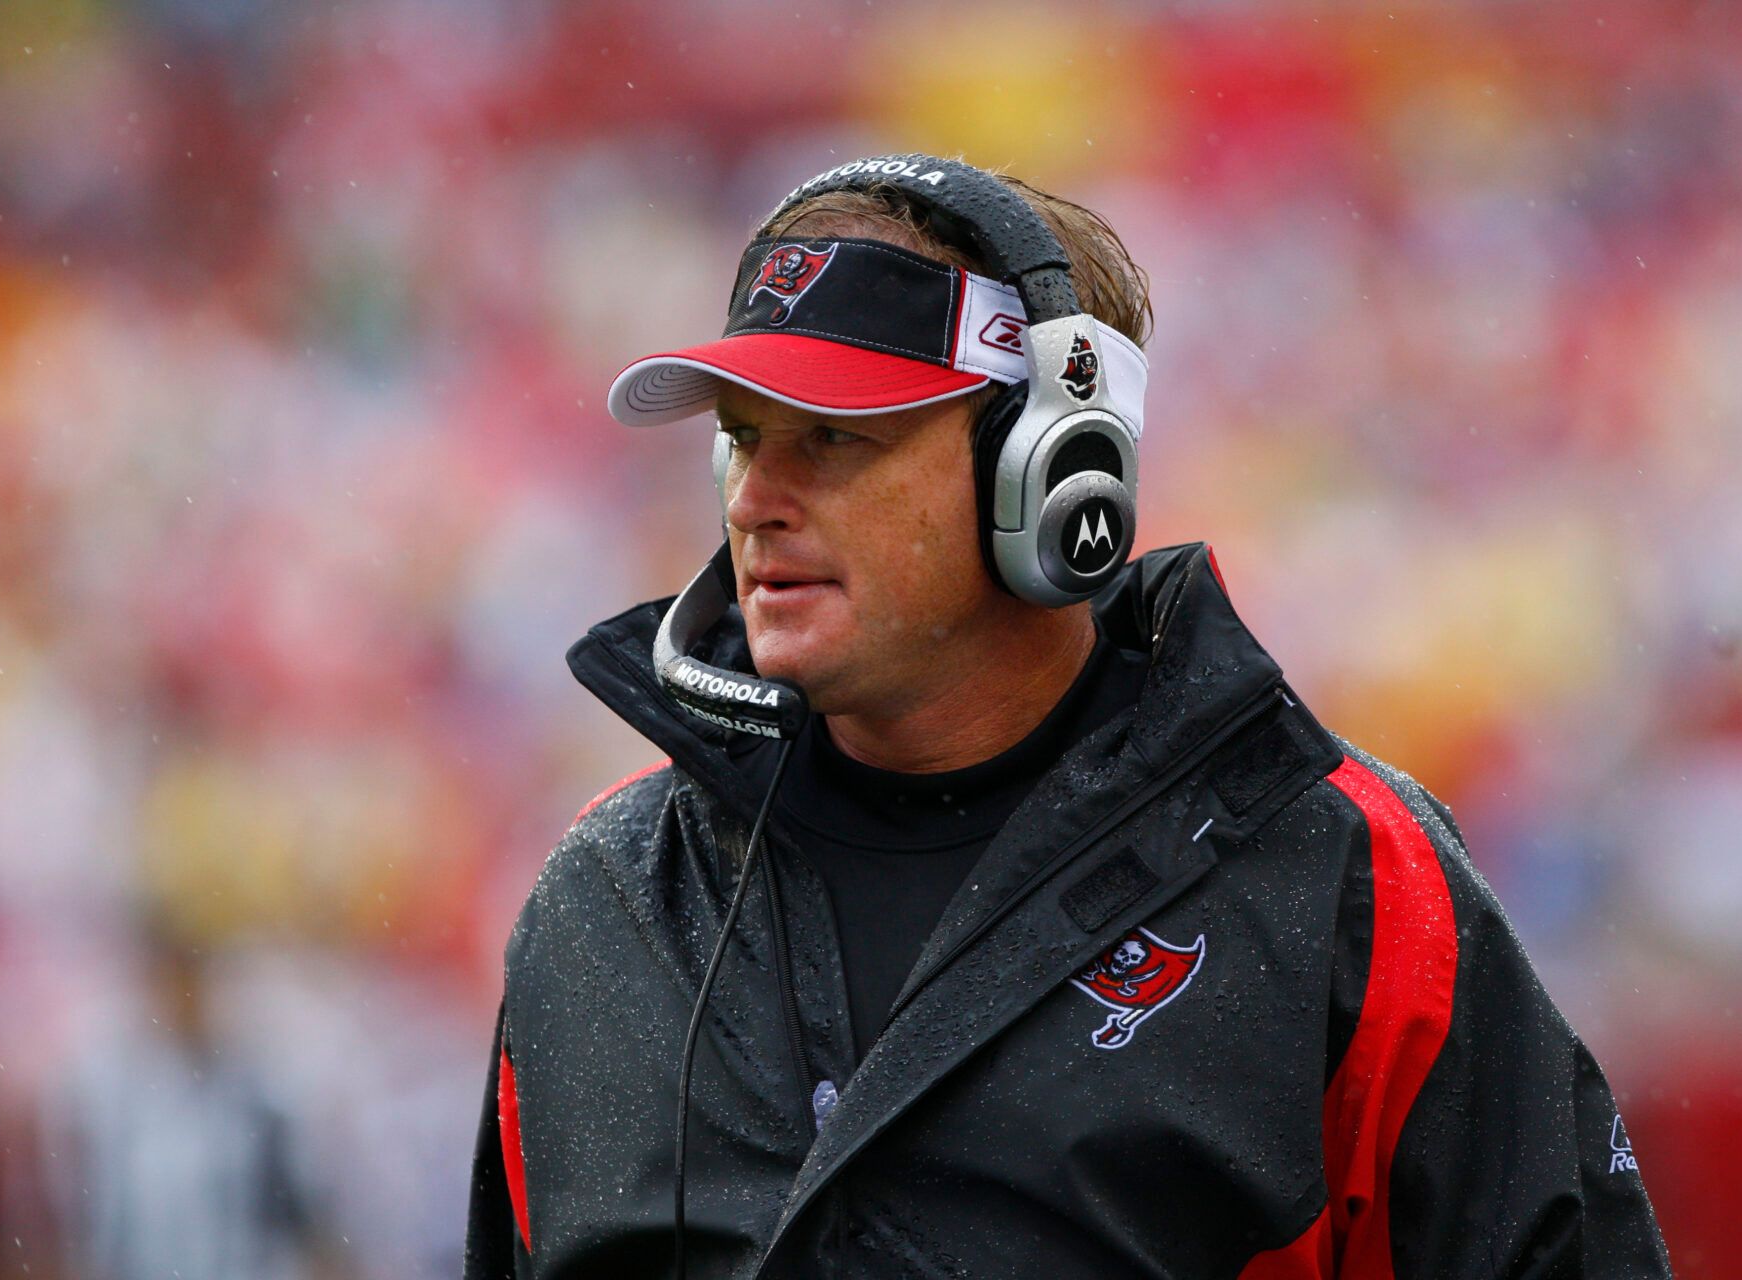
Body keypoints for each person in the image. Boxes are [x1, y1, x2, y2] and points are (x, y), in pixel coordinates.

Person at [464, 154, 1671, 1279]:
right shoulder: (605, 898)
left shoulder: (1349, 880)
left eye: (837, 437)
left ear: (1051, 469)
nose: (758, 501)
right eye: (742, 440)